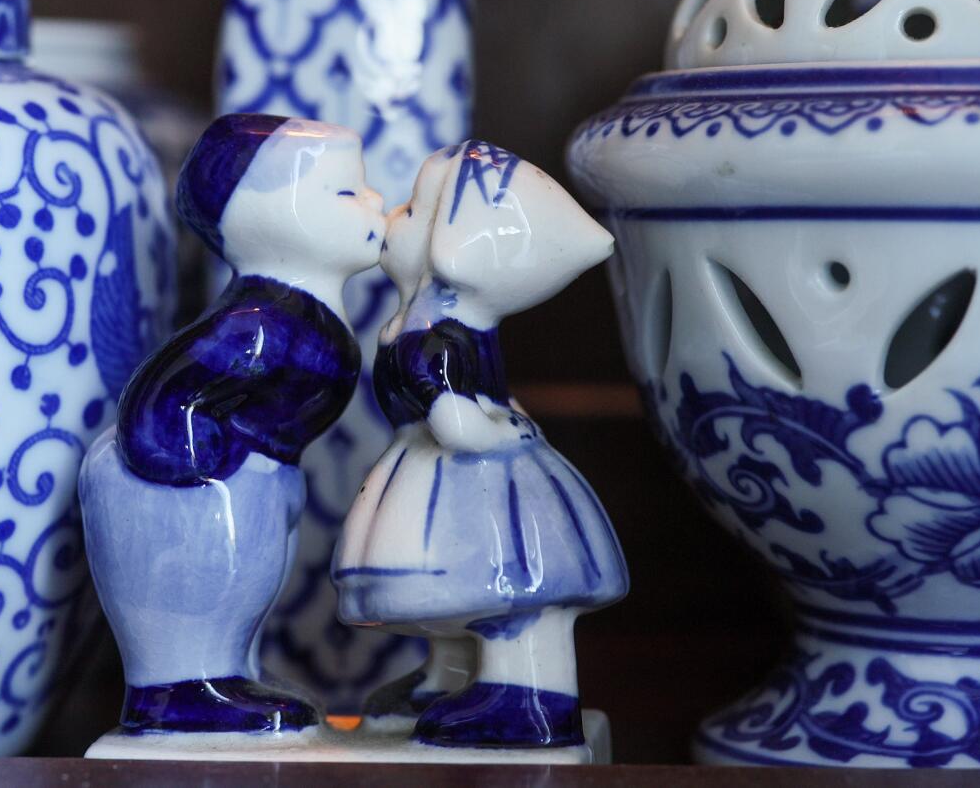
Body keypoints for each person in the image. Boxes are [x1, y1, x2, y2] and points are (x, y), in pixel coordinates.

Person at [80, 113, 385, 736]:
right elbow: (159, 394)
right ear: (261, 212)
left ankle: (228, 675)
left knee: (249, 585)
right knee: (217, 582)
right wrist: (193, 468)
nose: (375, 202)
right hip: (199, 486)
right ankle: (180, 690)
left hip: (253, 475)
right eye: (348, 192)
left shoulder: (294, 311)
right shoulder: (257, 322)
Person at [334, 140, 627, 748]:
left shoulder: (431, 340)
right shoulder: (426, 326)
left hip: (473, 477)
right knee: (455, 586)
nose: (393, 215)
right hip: (444, 469)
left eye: (414, 211)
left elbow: (455, 420)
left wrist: (489, 429)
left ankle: (530, 696)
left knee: (501, 584)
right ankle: (451, 676)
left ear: (458, 249)